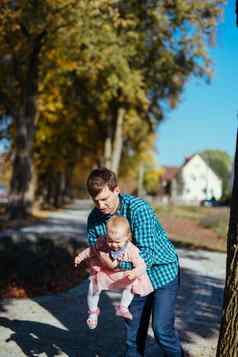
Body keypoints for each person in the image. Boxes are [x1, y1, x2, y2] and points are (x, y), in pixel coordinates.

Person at [86, 167, 184, 357]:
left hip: (161, 271)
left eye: (105, 199)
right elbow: (95, 251)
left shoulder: (138, 209)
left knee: (162, 331)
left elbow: (148, 254)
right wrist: (103, 260)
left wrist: (113, 264)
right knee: (133, 337)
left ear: (116, 190)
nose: (101, 206)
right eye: (96, 201)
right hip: (133, 280)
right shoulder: (94, 219)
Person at [74, 215, 153, 329]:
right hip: (105, 272)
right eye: (110, 240)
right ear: (106, 236)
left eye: (118, 242)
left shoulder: (131, 250)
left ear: (127, 237)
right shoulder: (102, 242)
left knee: (132, 285)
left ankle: (123, 307)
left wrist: (135, 272)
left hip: (122, 274)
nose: (114, 245)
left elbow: (142, 265)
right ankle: (93, 312)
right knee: (93, 286)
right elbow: (91, 250)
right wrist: (80, 257)